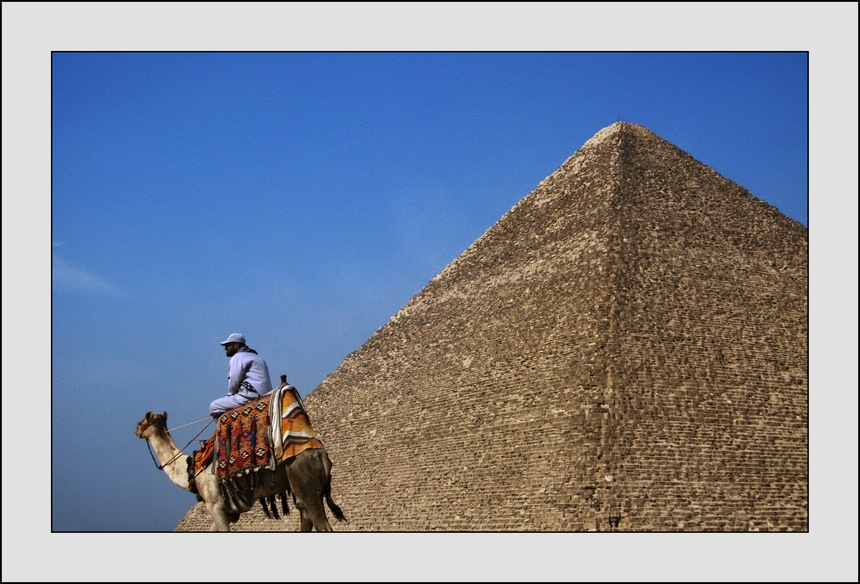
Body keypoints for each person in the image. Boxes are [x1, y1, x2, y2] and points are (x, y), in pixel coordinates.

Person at [209, 333, 274, 418]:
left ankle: (225, 430)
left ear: (236, 345)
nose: (225, 348)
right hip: (266, 395)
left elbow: (234, 380)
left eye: (228, 345)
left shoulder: (238, 357)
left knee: (214, 406)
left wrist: (231, 394)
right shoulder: (257, 357)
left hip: (250, 396)